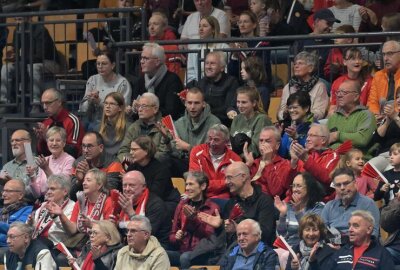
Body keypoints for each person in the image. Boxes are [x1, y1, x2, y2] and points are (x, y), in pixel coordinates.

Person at [198, 162, 276, 246]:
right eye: (226, 178)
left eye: (229, 178)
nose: (226, 182)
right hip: (233, 250)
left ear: (243, 177)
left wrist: (238, 229)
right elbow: (226, 235)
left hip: (257, 251)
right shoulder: (231, 203)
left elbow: (265, 234)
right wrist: (220, 225)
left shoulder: (264, 201)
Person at [0, 13, 60, 114]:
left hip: (49, 62)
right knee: (6, 68)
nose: (18, 22)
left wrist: (19, 58)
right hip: (26, 62)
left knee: (33, 67)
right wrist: (13, 56)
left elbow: (40, 56)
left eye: (20, 19)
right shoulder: (17, 30)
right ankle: (5, 102)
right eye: (16, 19)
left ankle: (35, 103)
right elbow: (16, 49)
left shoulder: (40, 30)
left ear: (29, 18)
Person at [168, 171, 219, 268]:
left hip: (202, 254)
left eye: (191, 184)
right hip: (182, 251)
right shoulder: (182, 205)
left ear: (203, 186)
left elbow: (209, 238)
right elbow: (172, 235)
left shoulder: (212, 208)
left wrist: (194, 219)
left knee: (185, 257)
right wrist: (176, 237)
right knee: (159, 254)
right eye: (186, 184)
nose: (187, 188)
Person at [49, 169, 114, 244]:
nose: (84, 183)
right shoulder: (79, 202)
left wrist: (91, 225)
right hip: (82, 244)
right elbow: (72, 230)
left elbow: (110, 232)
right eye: (84, 180)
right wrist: (61, 215)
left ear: (99, 185)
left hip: (101, 243)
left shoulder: (108, 202)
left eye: (88, 180)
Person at [171, 87, 221, 177]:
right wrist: (166, 140)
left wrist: (188, 147)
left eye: (196, 103)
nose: (192, 107)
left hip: (205, 165)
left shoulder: (214, 123)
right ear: (185, 103)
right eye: (189, 103)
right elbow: (175, 151)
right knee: (165, 163)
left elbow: (212, 154)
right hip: (185, 162)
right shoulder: (179, 123)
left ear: (204, 104)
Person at [125, 136, 179, 215]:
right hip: (140, 201)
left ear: (146, 151)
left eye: (134, 150)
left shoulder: (161, 169)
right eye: (130, 149)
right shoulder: (132, 167)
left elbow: (155, 194)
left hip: (163, 203)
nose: (130, 153)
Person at [321, 168, 380, 240]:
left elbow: (373, 235)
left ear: (355, 183)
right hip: (333, 246)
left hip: (358, 247)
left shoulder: (368, 204)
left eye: (346, 183)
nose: (342, 188)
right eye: (338, 185)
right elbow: (322, 232)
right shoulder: (329, 206)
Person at [117, 171, 172, 249]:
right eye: (124, 185)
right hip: (132, 244)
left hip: (157, 247)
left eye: (132, 185)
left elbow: (147, 234)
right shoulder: (123, 201)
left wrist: (131, 213)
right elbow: (124, 232)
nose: (127, 189)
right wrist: (115, 225)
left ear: (143, 186)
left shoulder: (156, 204)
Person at [131, 42, 184, 120]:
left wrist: (147, 110)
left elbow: (171, 113)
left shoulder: (172, 80)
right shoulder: (140, 81)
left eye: (146, 58)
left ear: (157, 62)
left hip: (165, 126)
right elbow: (135, 115)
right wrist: (134, 109)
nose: (141, 61)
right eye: (141, 58)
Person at [80, 49, 132, 128]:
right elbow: (83, 109)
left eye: (104, 64)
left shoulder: (123, 83)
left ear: (113, 65)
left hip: (115, 122)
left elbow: (124, 110)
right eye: (98, 64)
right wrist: (90, 100)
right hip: (94, 120)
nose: (100, 67)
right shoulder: (92, 80)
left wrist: (99, 102)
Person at [290, 124, 342, 200]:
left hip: (319, 203)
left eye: (312, 135)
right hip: (296, 200)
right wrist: (293, 162)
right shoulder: (304, 156)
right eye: (307, 136)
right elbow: (290, 183)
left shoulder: (333, 156)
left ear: (323, 140)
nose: (307, 139)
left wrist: (306, 159)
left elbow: (328, 178)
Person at [326, 210, 395, 269]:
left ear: (369, 229)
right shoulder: (341, 251)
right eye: (349, 225)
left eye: (355, 226)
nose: (350, 229)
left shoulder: (382, 254)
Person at [189, 124, 241, 199]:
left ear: (226, 142)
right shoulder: (196, 152)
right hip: (199, 196)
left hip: (223, 199)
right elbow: (195, 182)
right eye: (210, 138)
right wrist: (224, 183)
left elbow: (233, 186)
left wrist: (205, 185)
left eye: (216, 140)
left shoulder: (235, 160)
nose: (212, 143)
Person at [274, 173, 325, 247]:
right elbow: (281, 237)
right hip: (289, 250)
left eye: (299, 186)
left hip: (309, 250)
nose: (294, 189)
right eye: (293, 186)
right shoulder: (289, 207)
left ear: (309, 188)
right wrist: (282, 215)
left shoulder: (319, 207)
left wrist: (298, 212)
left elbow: (311, 234)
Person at [244, 126, 297, 197]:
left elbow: (276, 193)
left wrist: (268, 162)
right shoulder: (254, 162)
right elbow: (237, 187)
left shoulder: (284, 164)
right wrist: (247, 166)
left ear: (277, 145)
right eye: (261, 140)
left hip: (268, 204)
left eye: (267, 141)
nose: (263, 144)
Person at [118, 93, 172, 163]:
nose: (139, 110)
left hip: (156, 167)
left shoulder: (165, 126)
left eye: (143, 106)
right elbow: (123, 151)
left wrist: (144, 162)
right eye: (138, 106)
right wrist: (131, 162)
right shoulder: (133, 127)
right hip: (134, 166)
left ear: (155, 109)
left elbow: (164, 154)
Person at [327, 79, 376, 155]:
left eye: (344, 92)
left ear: (356, 97)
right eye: (338, 92)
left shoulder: (366, 115)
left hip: (356, 161)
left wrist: (337, 135)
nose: (339, 95)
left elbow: (362, 139)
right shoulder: (333, 117)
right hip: (332, 158)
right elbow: (325, 140)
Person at [70, 132, 123, 201]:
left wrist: (89, 175)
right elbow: (72, 196)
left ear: (101, 147)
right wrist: (79, 182)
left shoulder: (113, 163)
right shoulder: (78, 163)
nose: (85, 150)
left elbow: (108, 193)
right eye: (83, 146)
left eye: (90, 146)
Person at [278, 51, 329, 121]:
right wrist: (285, 113)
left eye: (300, 63)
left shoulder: (319, 86)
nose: (296, 66)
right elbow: (280, 113)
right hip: (289, 123)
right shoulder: (288, 87)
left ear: (310, 68)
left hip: (310, 125)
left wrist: (302, 115)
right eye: (295, 64)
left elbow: (320, 113)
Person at [35, 88, 85, 158]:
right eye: (42, 103)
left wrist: (47, 137)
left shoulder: (72, 121)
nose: (44, 107)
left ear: (59, 102)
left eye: (48, 103)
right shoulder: (46, 122)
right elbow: (40, 153)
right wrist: (42, 140)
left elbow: (74, 151)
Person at [27, 127, 75, 198]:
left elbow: (62, 188)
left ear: (64, 143)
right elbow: (37, 194)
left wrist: (46, 169)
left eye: (58, 140)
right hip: (44, 202)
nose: (54, 143)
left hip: (60, 201)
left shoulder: (69, 160)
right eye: (51, 140)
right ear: (47, 142)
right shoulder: (45, 160)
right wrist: (32, 176)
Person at [227, 10, 271, 87]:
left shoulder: (263, 43)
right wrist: (234, 57)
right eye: (240, 22)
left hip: (259, 84)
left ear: (254, 25)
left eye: (245, 22)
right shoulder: (236, 44)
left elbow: (262, 68)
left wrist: (247, 53)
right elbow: (231, 73)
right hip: (239, 86)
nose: (242, 25)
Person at [196, 51, 240, 126]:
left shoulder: (231, 82)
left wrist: (206, 111)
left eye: (212, 64)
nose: (208, 67)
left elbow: (228, 108)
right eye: (207, 63)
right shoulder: (201, 82)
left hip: (223, 125)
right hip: (203, 124)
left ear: (222, 68)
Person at [328, 47, 373, 116]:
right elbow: (333, 106)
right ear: (344, 62)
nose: (357, 61)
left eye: (360, 58)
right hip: (341, 117)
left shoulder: (370, 81)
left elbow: (371, 106)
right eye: (353, 59)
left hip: (362, 116)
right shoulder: (337, 82)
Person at [186, 16, 230, 85]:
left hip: (220, 85)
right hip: (198, 86)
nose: (201, 29)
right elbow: (190, 72)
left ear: (213, 29)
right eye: (199, 26)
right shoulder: (194, 48)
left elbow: (225, 70)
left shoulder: (224, 47)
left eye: (205, 26)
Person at [230, 86, 271, 157]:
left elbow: (256, 149)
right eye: (238, 102)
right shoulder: (237, 119)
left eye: (244, 102)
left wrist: (237, 157)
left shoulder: (261, 119)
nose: (240, 105)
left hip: (255, 160)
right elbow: (231, 143)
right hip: (238, 159)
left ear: (254, 103)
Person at [367, 40, 400, 119]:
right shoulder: (378, 76)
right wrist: (375, 115)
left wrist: (391, 115)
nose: (385, 58)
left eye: (390, 54)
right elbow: (372, 102)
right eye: (384, 54)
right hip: (381, 120)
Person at [368, 89, 400, 170]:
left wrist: (396, 118)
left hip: (398, 154)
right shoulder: (393, 114)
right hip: (385, 154)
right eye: (397, 97)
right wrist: (387, 121)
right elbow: (376, 139)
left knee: (389, 172)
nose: (398, 100)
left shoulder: (395, 116)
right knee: (369, 168)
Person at [0, 179, 33, 258]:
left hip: (10, 247)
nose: (3, 194)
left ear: (20, 195)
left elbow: (17, 230)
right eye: (3, 191)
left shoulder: (28, 210)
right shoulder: (1, 211)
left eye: (8, 191)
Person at [278, 91, 315, 159]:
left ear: (306, 108)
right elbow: (282, 154)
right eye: (290, 107)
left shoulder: (315, 128)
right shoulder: (291, 128)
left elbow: (312, 154)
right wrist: (278, 137)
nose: (291, 110)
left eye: (295, 107)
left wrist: (296, 137)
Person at [94, 92, 129, 157]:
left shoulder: (128, 127)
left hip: (119, 162)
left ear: (120, 108)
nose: (107, 106)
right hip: (102, 162)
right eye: (106, 103)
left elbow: (126, 152)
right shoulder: (97, 128)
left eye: (112, 104)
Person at [380, 190, 400, 265]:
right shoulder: (396, 202)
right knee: (373, 257)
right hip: (395, 249)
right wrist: (398, 203)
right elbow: (385, 224)